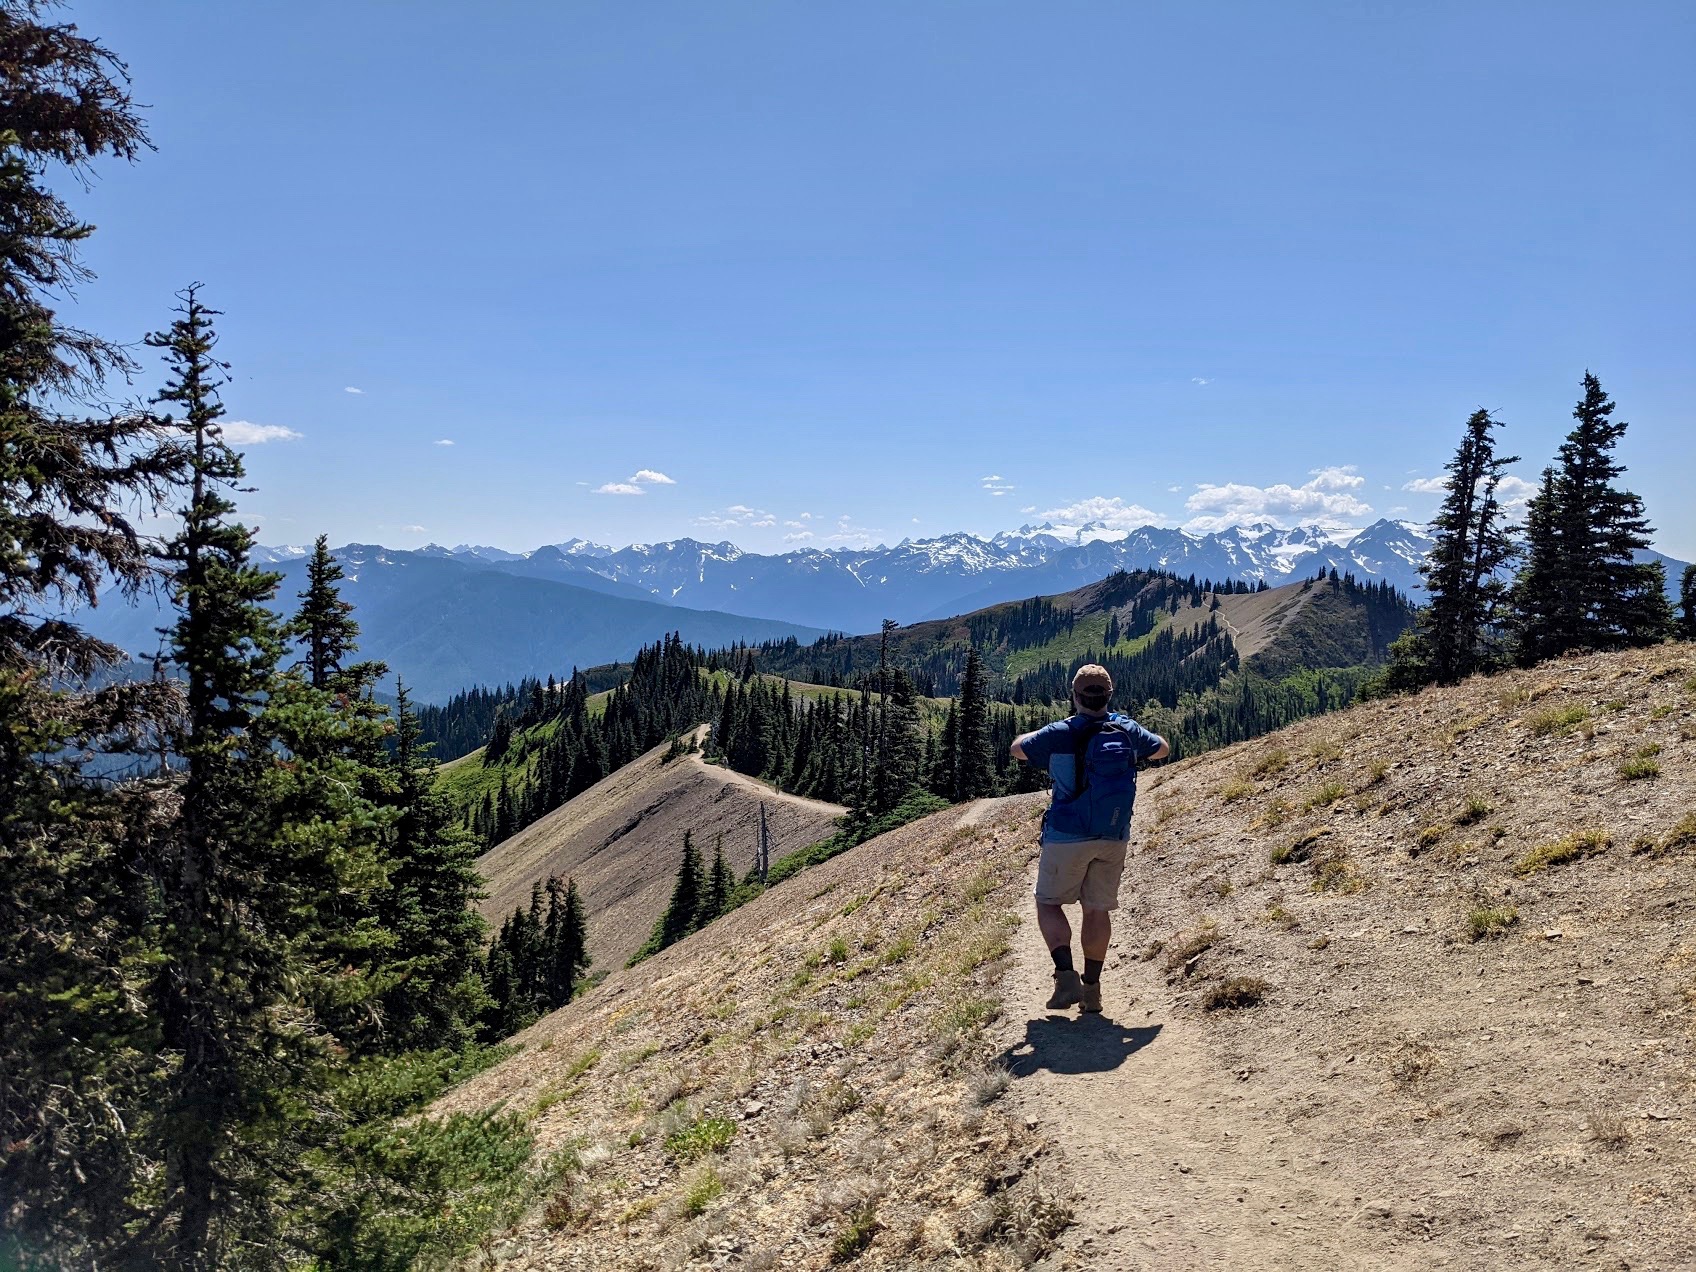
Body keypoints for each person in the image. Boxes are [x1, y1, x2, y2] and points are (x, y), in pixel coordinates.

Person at [1011, 664, 1168, 1014]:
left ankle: (1066, 977)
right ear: (1109, 695)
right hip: (1113, 834)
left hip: (1067, 834)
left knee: (1048, 902)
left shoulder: (1061, 731)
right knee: (1096, 910)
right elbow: (1162, 749)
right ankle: (1092, 991)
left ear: (1075, 695)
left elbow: (1017, 749)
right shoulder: (1126, 728)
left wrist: (1043, 730)